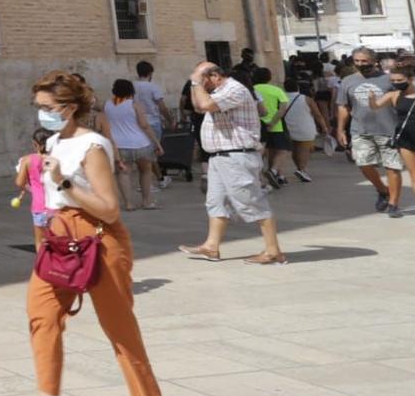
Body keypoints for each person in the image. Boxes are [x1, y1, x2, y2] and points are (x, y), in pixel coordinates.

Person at [2, 71, 166, 396]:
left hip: (98, 239)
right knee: (41, 315)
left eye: (47, 108)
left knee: (119, 327)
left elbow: (109, 209)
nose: (41, 114)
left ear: (69, 108)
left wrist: (64, 182)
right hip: (59, 240)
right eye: (38, 108)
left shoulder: (93, 146)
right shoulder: (54, 142)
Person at [179, 62, 286, 264]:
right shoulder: (219, 91)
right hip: (220, 157)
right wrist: (196, 84)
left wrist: (195, 81)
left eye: (203, 80)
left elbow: (205, 105)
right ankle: (211, 246)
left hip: (237, 156)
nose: (201, 85)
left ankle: (273, 251)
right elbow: (196, 106)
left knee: (252, 201)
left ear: (214, 76)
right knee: (216, 201)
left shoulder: (234, 90)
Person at [337, 47, 404, 215]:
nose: (360, 64)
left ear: (374, 61)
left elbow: (401, 101)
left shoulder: (388, 80)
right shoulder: (347, 81)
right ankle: (383, 190)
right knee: (363, 163)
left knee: (392, 167)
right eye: (357, 61)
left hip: (388, 129)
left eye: (364, 61)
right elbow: (343, 107)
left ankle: (393, 204)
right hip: (360, 129)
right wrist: (340, 129)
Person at [377, 62, 415, 223]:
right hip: (406, 139)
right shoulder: (395, 95)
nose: (396, 83)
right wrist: (370, 99)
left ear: (410, 79)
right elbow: (375, 106)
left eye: (399, 80)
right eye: (394, 80)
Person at [102, 80, 161, 210]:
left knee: (123, 173)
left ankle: (128, 203)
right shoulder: (135, 105)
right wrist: (156, 142)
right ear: (131, 91)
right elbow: (144, 125)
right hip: (140, 143)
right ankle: (147, 201)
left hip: (119, 145)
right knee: (145, 171)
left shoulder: (106, 105)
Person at [132, 61, 175, 190]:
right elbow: (161, 106)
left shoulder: (132, 86)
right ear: (150, 73)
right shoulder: (153, 87)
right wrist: (169, 119)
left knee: (142, 152)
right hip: (152, 121)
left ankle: (150, 179)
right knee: (152, 152)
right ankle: (150, 182)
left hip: (137, 121)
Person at [252, 67, 292, 189]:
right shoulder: (276, 90)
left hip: (257, 124)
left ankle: (258, 177)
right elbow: (283, 108)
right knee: (282, 150)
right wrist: (273, 122)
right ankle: (273, 171)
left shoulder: (252, 90)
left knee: (261, 152)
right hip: (276, 126)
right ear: (269, 77)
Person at [15, 127, 53, 249]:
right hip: (57, 206)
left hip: (39, 207)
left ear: (35, 144)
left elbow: (19, 182)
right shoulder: (57, 159)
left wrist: (30, 188)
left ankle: (43, 266)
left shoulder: (27, 160)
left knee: (40, 242)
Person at [280, 73, 320, 183]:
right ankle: (301, 169)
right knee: (304, 150)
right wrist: (324, 127)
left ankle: (297, 169)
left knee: (293, 150)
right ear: (297, 87)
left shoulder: (281, 98)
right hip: (305, 128)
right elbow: (317, 114)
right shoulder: (307, 99)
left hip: (286, 128)